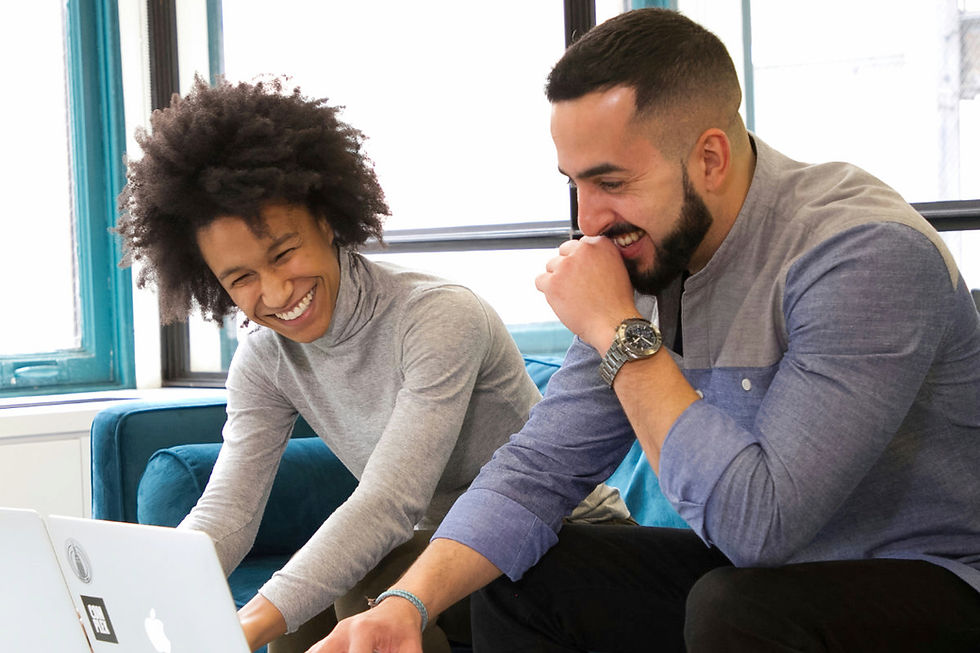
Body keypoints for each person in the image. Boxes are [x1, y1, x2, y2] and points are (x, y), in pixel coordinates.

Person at [315, 8, 980, 653]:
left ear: (711, 158)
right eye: (575, 183)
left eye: (611, 181)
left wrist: (618, 328)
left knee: (734, 607)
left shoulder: (863, 253)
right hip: (763, 577)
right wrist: (406, 604)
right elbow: (537, 470)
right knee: (524, 580)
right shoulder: (652, 250)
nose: (590, 218)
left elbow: (761, 526)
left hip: (935, 581)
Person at [116, 76, 632, 653]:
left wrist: (244, 626)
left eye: (283, 253)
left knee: (361, 588)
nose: (277, 290)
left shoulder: (436, 317)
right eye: (241, 278)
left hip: (566, 538)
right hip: (438, 548)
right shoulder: (265, 360)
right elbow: (228, 511)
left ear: (327, 221)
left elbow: (390, 503)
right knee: (302, 627)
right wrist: (152, 599)